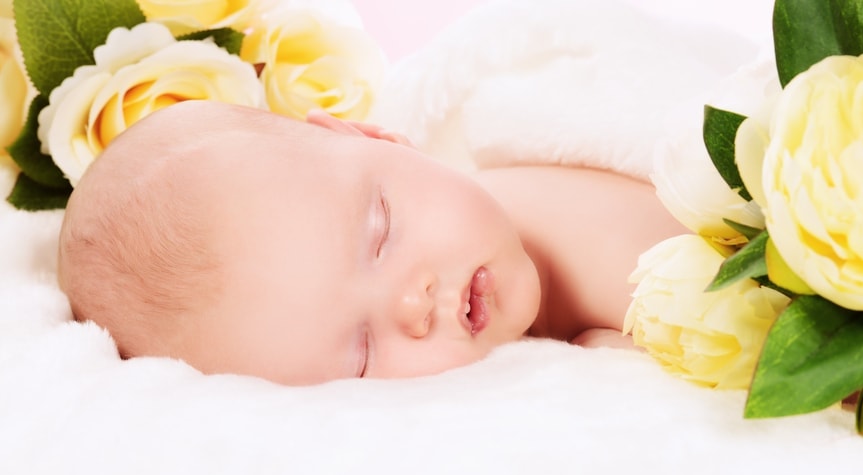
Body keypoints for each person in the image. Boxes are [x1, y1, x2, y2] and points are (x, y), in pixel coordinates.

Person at [58, 100, 686, 385]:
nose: (410, 304)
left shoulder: (613, 245)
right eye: (361, 352)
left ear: (375, 137)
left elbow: (748, 304)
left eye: (381, 232)